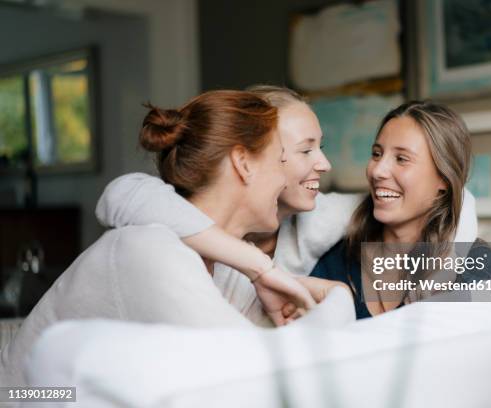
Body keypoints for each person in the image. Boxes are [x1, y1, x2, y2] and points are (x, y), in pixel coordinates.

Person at [0, 90, 327, 386]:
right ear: (243, 163)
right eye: (278, 159)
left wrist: (323, 294)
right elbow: (253, 370)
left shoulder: (233, 270)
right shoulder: (147, 250)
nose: (283, 179)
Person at [95, 87, 480, 325]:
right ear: (249, 160)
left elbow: (455, 203)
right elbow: (123, 194)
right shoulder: (165, 235)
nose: (324, 165)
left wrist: (432, 285)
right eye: (303, 150)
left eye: (321, 147)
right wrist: (257, 267)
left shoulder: (319, 219)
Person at [310, 101, 491, 319]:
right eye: (376, 154)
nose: (377, 171)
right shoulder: (338, 259)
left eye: (401, 159)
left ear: (443, 178)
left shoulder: (478, 268)